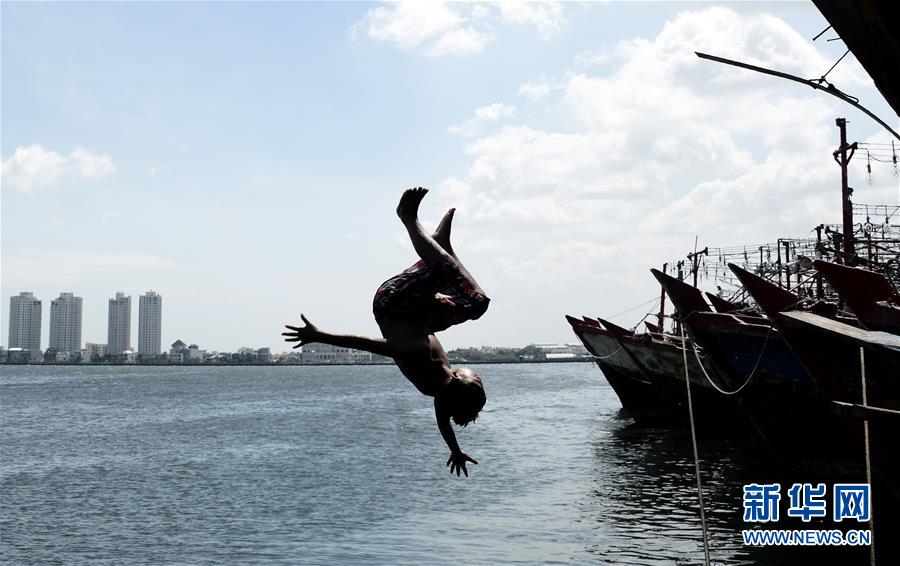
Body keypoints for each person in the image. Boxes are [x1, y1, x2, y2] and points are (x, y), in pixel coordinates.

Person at [283, 187, 490, 477]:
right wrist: (454, 450)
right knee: (474, 305)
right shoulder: (441, 395)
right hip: (418, 311)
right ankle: (441, 245)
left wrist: (320, 335)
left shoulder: (423, 358)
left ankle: (409, 219)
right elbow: (443, 423)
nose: (472, 371)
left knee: (456, 282)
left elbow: (370, 344)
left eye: (473, 375)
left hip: (393, 302)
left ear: (457, 379)